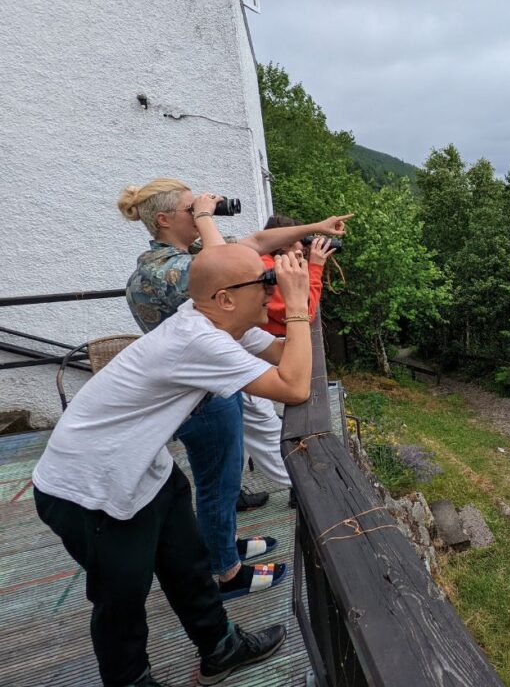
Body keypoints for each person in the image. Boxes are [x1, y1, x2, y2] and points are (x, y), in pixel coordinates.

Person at [33, 245, 313, 687]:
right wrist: (296, 307)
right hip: (87, 487)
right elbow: (294, 386)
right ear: (225, 298)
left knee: (190, 565)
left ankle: (221, 647)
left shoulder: (216, 321)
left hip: (145, 469)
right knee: (121, 600)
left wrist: (304, 288)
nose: (270, 292)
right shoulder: (197, 339)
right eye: (263, 284)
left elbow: (282, 354)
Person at [118, 178, 352, 598]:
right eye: (193, 209)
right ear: (166, 219)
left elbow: (258, 240)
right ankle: (226, 571)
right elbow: (229, 262)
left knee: (220, 485)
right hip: (201, 400)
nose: (262, 290)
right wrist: (297, 300)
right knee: (217, 485)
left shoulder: (182, 261)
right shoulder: (172, 272)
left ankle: (221, 547)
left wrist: (314, 226)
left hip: (206, 387)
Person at [242, 216, 335, 490]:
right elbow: (303, 311)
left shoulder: (276, 265)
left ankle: (238, 492)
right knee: (265, 425)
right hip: (261, 351)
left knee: (244, 429)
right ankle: (303, 487)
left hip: (260, 346)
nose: (301, 246)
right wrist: (315, 267)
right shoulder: (268, 269)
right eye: (296, 239)